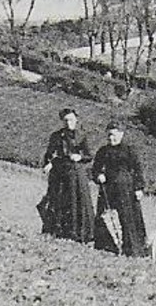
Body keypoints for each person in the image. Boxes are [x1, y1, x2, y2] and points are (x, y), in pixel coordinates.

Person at [92, 119, 149, 258]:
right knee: (106, 216)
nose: (111, 138)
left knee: (128, 218)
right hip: (108, 189)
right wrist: (99, 175)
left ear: (121, 134)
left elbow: (138, 170)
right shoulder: (103, 151)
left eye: (114, 134)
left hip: (126, 190)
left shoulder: (130, 150)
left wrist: (139, 188)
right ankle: (107, 246)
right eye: (109, 135)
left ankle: (132, 249)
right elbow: (95, 168)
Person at [39, 107, 97, 244]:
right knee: (58, 201)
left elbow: (89, 156)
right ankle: (57, 231)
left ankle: (79, 235)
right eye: (65, 120)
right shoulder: (56, 136)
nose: (68, 123)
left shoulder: (82, 136)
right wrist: (48, 163)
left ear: (76, 120)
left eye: (71, 120)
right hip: (60, 173)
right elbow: (49, 154)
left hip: (76, 174)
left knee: (78, 203)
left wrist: (80, 156)